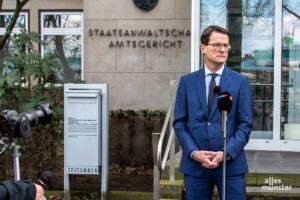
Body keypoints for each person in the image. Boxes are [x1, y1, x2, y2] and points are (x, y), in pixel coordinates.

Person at [173, 25, 253, 200]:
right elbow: (179, 123)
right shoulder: (187, 82)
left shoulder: (240, 82)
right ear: (203, 48)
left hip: (230, 166)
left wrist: (226, 152)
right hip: (196, 167)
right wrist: (194, 153)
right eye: (217, 45)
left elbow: (245, 124)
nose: (222, 49)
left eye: (226, 45)